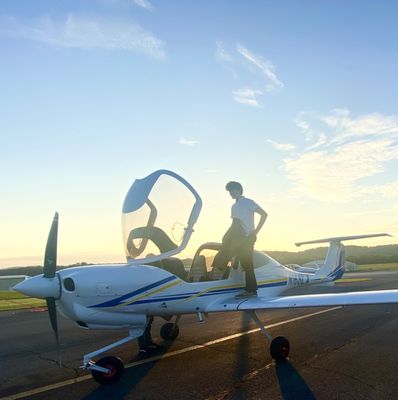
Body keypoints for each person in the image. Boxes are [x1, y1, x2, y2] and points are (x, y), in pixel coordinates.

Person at [212, 181, 267, 298]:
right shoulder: (234, 206)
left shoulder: (248, 202)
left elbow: (264, 214)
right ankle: (223, 276)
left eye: (232, 190)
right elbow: (234, 223)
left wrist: (255, 231)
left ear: (239, 190)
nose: (230, 193)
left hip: (247, 237)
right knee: (226, 250)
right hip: (237, 237)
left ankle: (251, 290)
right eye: (229, 191)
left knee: (247, 264)